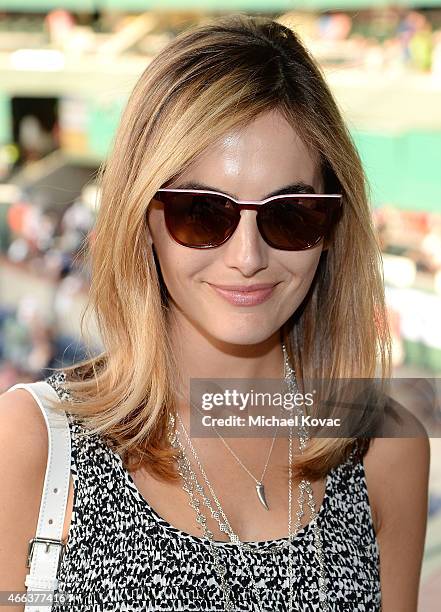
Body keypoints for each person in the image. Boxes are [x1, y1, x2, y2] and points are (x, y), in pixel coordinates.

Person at [0, 14, 430, 612]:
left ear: (333, 226)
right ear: (143, 218)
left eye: (291, 214)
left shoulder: (388, 448)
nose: (248, 257)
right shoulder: (30, 445)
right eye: (202, 213)